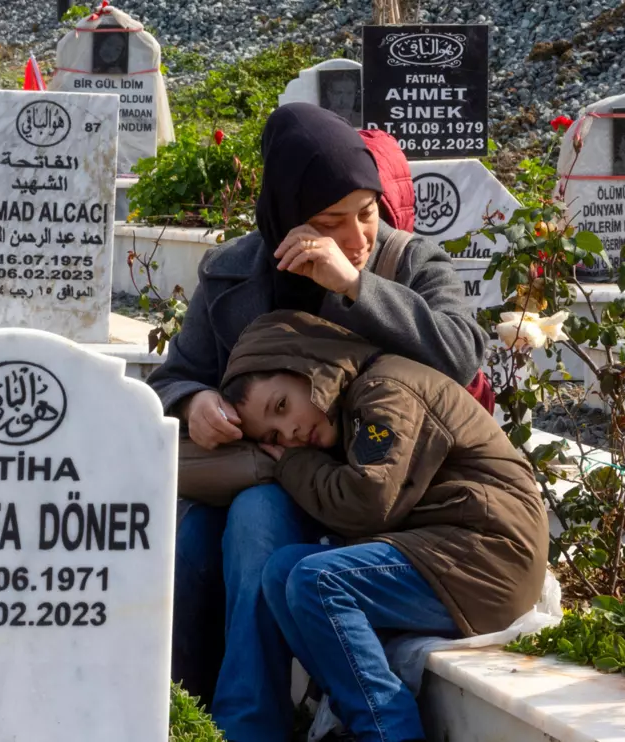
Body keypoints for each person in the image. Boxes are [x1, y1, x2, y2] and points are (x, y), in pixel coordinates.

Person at [146, 103, 488, 734]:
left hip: (377, 488)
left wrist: (356, 286)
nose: (357, 235)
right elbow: (173, 375)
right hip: (265, 468)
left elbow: (462, 357)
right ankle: (180, 716)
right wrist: (194, 403)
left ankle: (248, 727)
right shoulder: (231, 274)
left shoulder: (406, 264)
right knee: (191, 544)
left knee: (255, 517)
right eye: (330, 222)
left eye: (367, 212)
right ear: (286, 216)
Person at [216, 309, 548, 742]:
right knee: (281, 572)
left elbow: (369, 500)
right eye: (276, 437)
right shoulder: (353, 403)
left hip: (487, 555)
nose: (291, 431)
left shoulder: (386, 390)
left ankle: (388, 733)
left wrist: (292, 466)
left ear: (307, 367)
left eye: (282, 406)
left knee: (318, 581)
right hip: (444, 552)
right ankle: (355, 723)